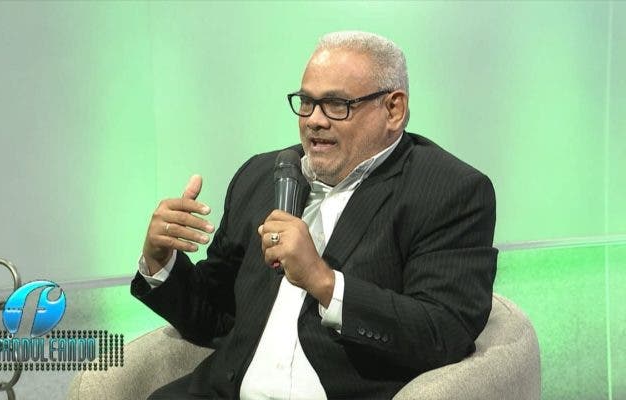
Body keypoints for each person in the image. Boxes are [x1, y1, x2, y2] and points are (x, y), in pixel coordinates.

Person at [131, 31, 497, 399]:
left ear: (393, 110)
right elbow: (217, 316)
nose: (314, 121)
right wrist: (160, 261)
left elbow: (443, 332)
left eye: (336, 104)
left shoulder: (450, 191)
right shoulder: (260, 176)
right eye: (306, 102)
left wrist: (323, 281)